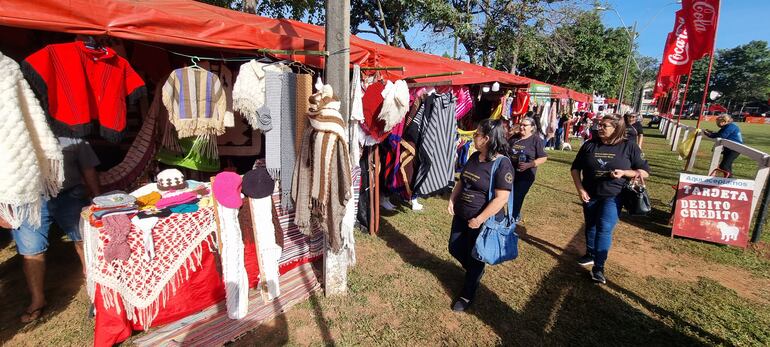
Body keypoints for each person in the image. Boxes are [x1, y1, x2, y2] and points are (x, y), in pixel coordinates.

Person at [9, 137, 100, 322]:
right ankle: (37, 300)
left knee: (84, 241)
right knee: (31, 250)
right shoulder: (12, 130)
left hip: (70, 194)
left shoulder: (71, 133)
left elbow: (88, 167)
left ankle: (96, 288)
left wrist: (98, 198)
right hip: (29, 200)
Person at [570, 114, 650, 284]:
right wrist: (580, 189)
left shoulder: (629, 147)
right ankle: (590, 254)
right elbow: (575, 168)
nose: (599, 128)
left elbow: (644, 172)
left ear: (617, 128)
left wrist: (625, 173)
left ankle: (598, 268)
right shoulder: (589, 145)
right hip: (590, 194)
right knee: (590, 225)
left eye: (604, 126)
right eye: (599, 124)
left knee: (604, 228)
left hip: (614, 195)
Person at [447, 119, 513, 312]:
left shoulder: (502, 164)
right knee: (455, 247)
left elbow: (501, 198)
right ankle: (474, 272)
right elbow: (462, 180)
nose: (474, 137)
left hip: (482, 221)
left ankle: (467, 294)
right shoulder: (475, 156)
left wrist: (480, 218)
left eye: (476, 134)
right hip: (462, 214)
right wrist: (452, 198)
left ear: (487, 139)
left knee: (475, 256)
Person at [508, 116, 548, 224]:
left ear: (532, 127)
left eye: (525, 125)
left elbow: (543, 157)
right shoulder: (514, 138)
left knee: (517, 197)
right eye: (521, 124)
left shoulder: (536, 140)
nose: (521, 127)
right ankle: (514, 215)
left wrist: (529, 165)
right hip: (510, 174)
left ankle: (512, 220)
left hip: (526, 176)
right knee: (508, 197)